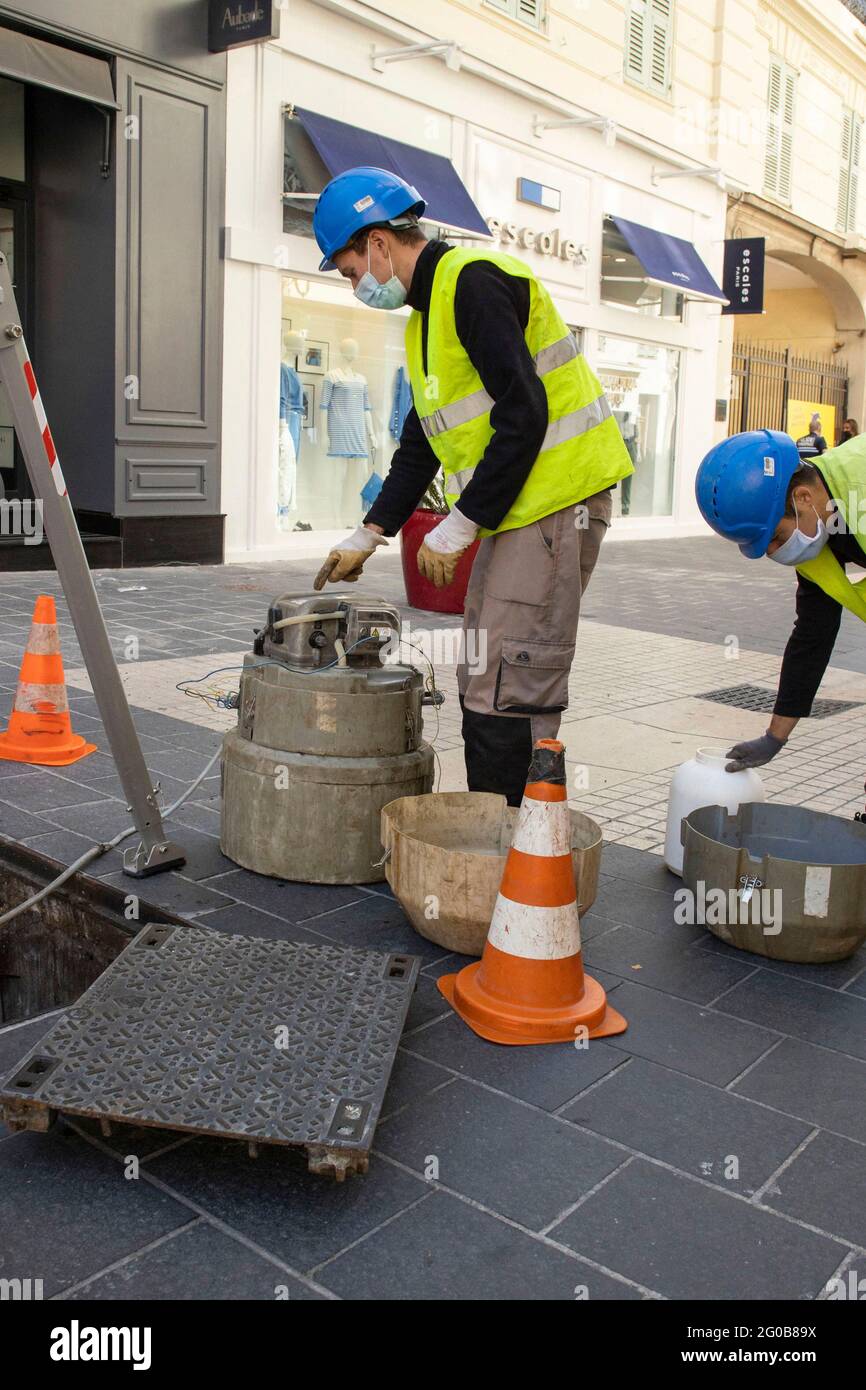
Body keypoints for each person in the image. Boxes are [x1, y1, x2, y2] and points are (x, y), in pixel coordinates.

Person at [311, 166, 633, 805]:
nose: (356, 286)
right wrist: (368, 533)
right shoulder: (424, 321)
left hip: (555, 501)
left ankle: (516, 844)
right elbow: (424, 442)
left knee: (513, 674)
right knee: (488, 666)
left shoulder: (471, 283)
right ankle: (498, 832)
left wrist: (459, 525)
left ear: (378, 243)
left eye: (350, 271)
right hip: (521, 509)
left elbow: (525, 411)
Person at [695, 428, 866, 796]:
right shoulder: (821, 532)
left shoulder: (861, 487)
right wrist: (774, 738)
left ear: (803, 496)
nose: (774, 552)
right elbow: (812, 638)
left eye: (775, 536)